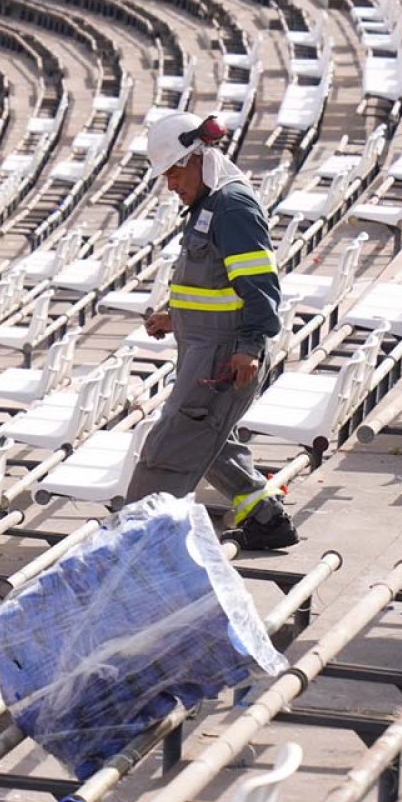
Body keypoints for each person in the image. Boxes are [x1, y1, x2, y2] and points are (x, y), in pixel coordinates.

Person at [126, 111, 299, 551]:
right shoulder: (208, 205)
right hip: (205, 347)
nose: (170, 185)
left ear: (197, 156)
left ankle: (137, 544)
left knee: (169, 447)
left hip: (226, 357)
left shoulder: (232, 207)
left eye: (173, 173)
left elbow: (260, 285)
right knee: (210, 439)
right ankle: (267, 519)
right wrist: (175, 315)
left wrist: (250, 346)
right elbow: (216, 282)